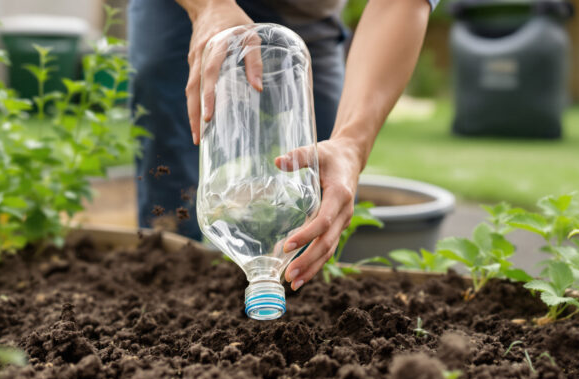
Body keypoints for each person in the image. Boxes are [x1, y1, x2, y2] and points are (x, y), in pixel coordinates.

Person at [129, 0, 437, 290]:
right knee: (169, 176)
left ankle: (292, 305)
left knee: (318, 202)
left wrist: (351, 145)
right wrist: (211, 7)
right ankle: (170, 288)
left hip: (304, 20)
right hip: (180, 13)